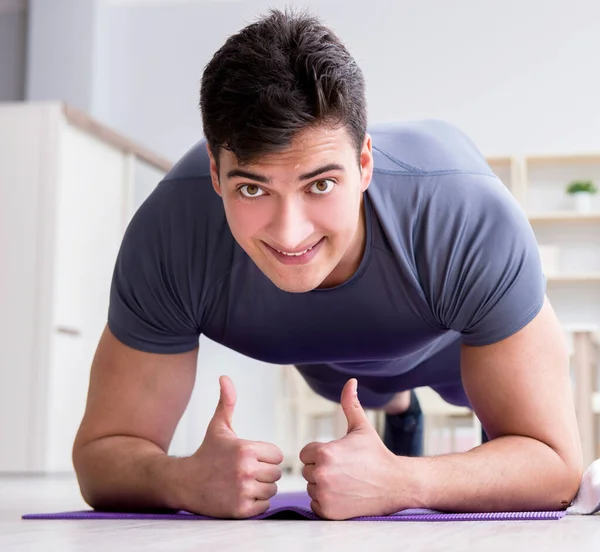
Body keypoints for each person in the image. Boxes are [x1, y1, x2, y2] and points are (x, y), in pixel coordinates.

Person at [72, 8, 583, 521]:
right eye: (253, 188)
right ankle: (399, 407)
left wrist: (405, 479)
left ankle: (402, 410)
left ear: (365, 164)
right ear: (214, 171)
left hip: (446, 348)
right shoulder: (169, 234)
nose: (289, 234)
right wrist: (182, 479)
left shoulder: (463, 215)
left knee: (484, 428)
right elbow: (102, 454)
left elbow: (556, 467)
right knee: (374, 392)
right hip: (322, 363)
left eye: (320, 184)